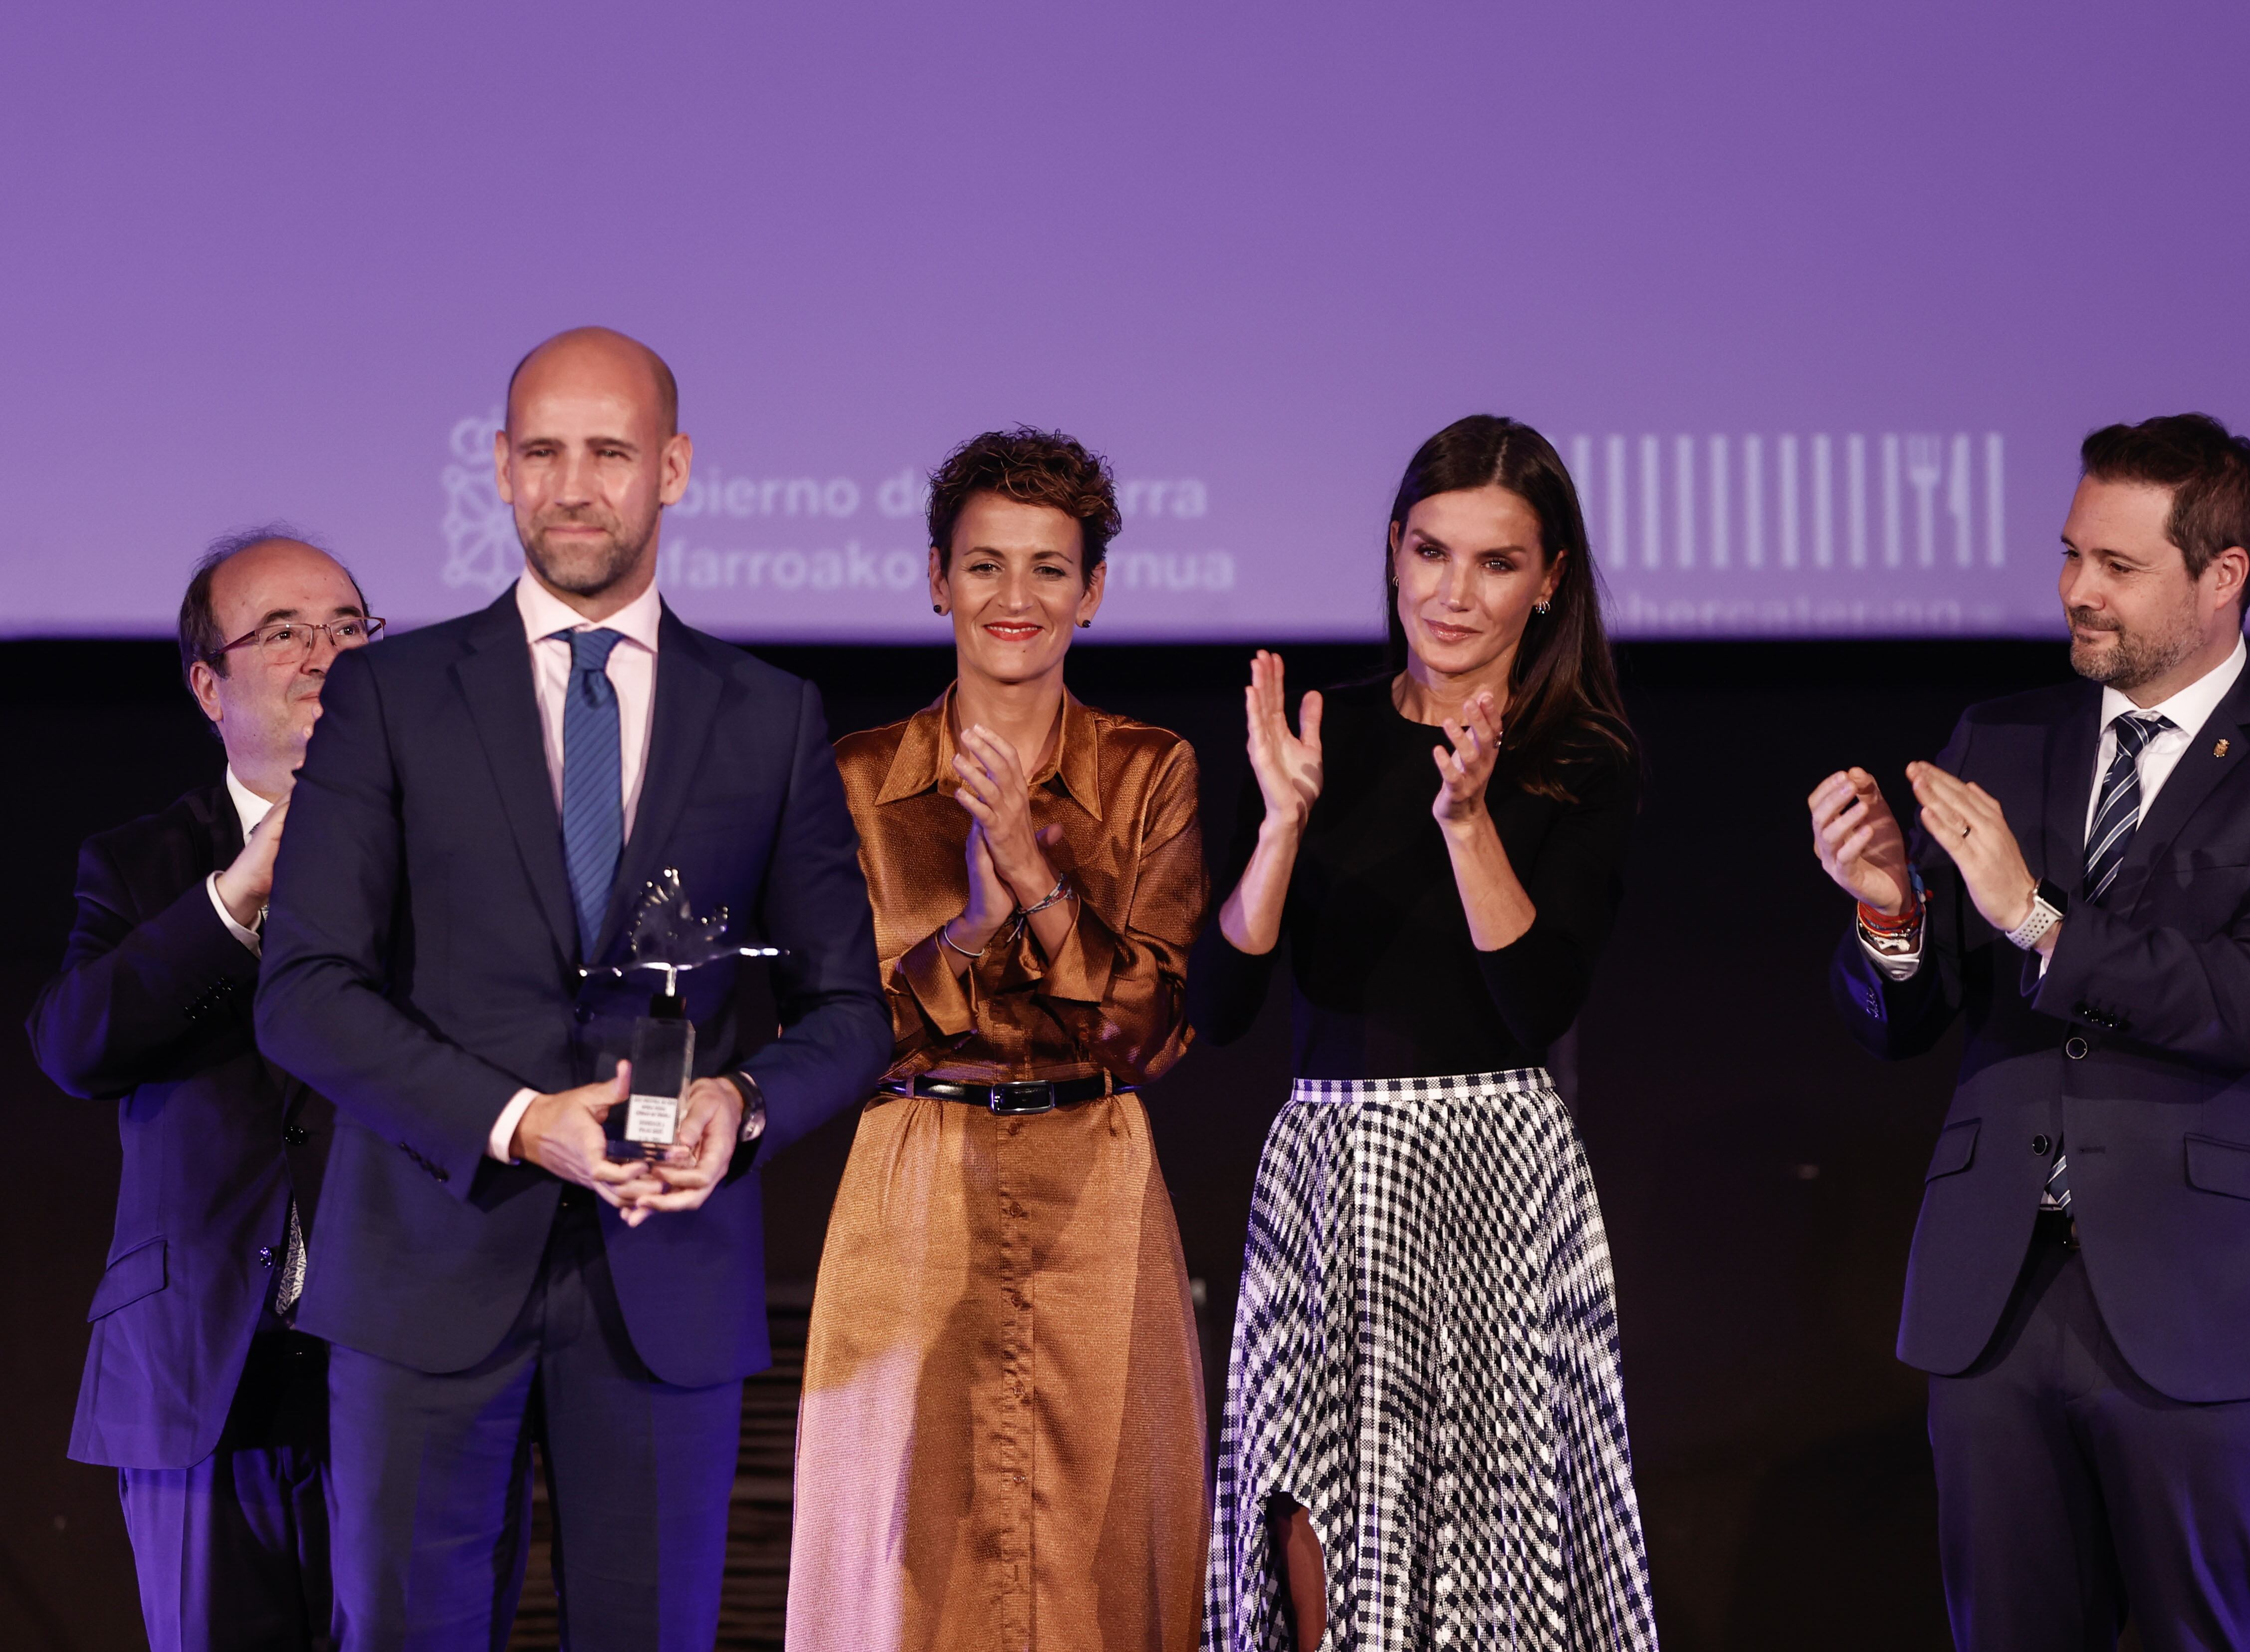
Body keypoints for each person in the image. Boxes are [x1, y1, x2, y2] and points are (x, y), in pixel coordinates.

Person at [253, 327, 892, 1652]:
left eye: (609, 451)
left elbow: (850, 1013)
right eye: (542, 451)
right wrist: (514, 1118)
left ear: (675, 467)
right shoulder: (390, 694)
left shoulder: (767, 715)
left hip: (665, 1282)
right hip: (427, 1264)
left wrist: (742, 1102)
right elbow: (304, 989)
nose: (574, 485)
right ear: (497, 467)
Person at [1807, 413, 2250, 1652]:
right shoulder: (2000, 735)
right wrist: (1888, 912)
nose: (2076, 590)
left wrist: (2034, 918)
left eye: (2116, 568)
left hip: (2213, 1302)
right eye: (2071, 553)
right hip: (1998, 1303)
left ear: (2221, 575)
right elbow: (1904, 1026)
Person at [1192, 415, 1658, 1651]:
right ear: (1392, 552)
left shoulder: (1583, 759)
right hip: (1327, 1173)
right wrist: (1279, 830)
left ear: (1549, 578)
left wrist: (1466, 820)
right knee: (1305, 1506)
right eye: (1430, 552)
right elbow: (1220, 1007)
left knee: (1491, 1555)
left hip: (1494, 1176)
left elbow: (1534, 1004)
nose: (1453, 594)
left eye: (1496, 563)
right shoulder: (1308, 734)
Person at [785, 427, 1210, 1651]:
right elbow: (847, 1025)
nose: (1013, 599)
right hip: (914, 1176)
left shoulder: (1146, 771)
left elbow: (1153, 1030)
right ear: (935, 579)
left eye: (1045, 569)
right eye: (983, 566)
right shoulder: (859, 779)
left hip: (1096, 1169)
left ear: (1092, 591)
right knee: (898, 1565)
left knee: (1104, 1561)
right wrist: (974, 923)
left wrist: (1037, 886)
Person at [27, 528, 375, 1650]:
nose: (323, 654)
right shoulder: (142, 864)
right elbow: (76, 1045)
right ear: (207, 684)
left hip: (399, 1359)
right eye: (282, 632)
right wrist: (243, 890)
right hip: (194, 1374)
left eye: (348, 629)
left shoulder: (455, 858)